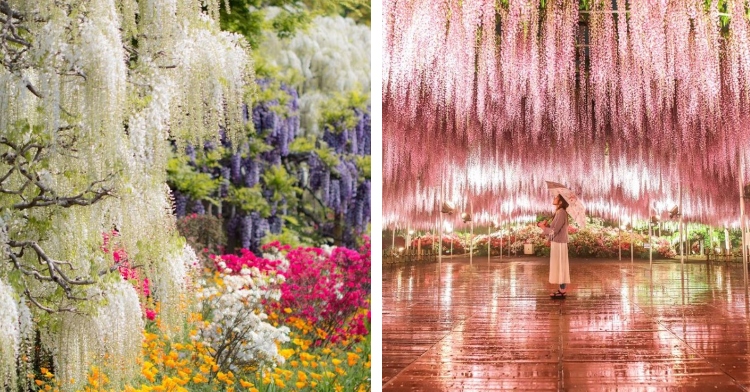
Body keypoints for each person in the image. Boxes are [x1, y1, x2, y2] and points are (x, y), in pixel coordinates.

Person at [537, 194, 570, 298]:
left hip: (559, 243)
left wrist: (543, 227)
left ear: (560, 202)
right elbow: (554, 229)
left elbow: (555, 230)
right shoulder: (559, 212)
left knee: (560, 266)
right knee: (559, 266)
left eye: (556, 197)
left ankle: (562, 290)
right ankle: (561, 289)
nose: (554, 198)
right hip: (558, 242)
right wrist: (548, 233)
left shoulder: (561, 212)